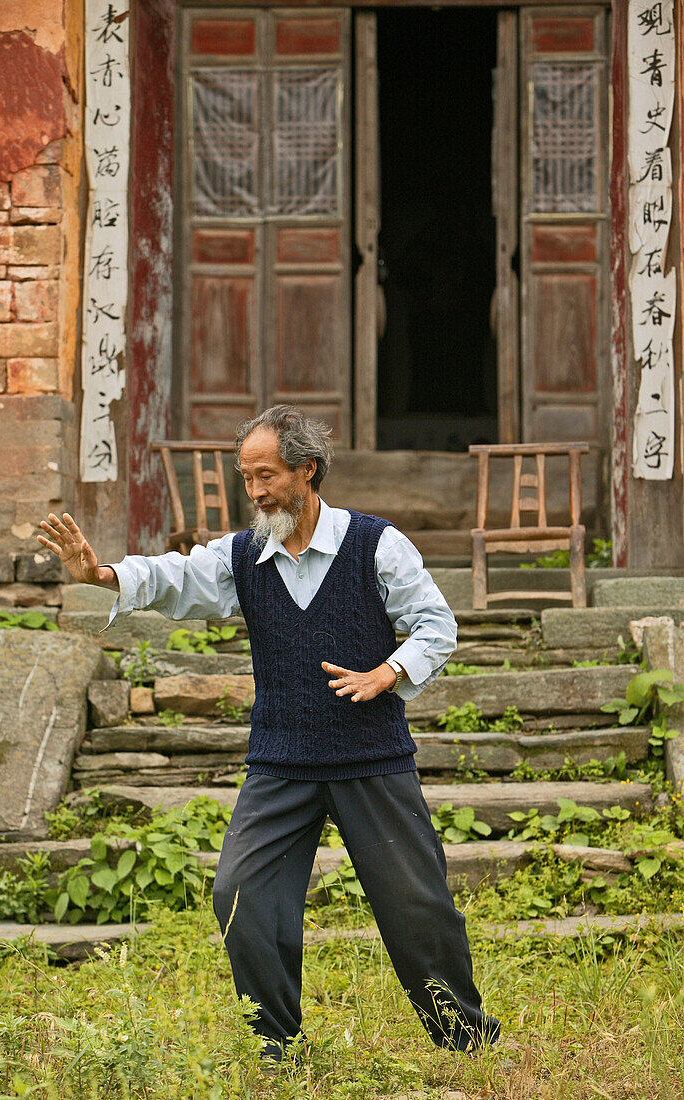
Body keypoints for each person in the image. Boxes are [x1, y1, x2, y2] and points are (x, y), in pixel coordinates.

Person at [37, 405, 500, 1067]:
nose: (254, 491)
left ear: (306, 470)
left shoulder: (375, 544)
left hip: (370, 758)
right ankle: (276, 1046)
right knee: (242, 897)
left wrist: (387, 672)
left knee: (417, 908)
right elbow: (176, 577)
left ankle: (465, 1039)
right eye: (245, 477)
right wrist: (101, 574)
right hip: (281, 761)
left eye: (267, 475)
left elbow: (436, 626)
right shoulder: (243, 555)